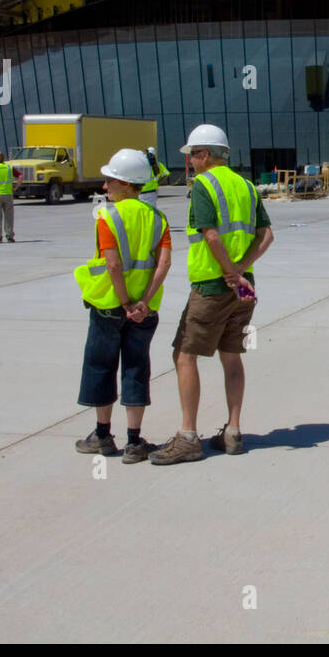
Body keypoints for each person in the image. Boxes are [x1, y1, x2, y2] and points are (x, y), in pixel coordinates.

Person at [150, 124, 274, 465]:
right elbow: (266, 236)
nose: (189, 162)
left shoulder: (204, 184)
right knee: (231, 357)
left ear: (204, 155)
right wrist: (241, 272)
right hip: (243, 289)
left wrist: (228, 273)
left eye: (191, 155)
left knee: (184, 355)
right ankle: (233, 432)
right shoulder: (246, 186)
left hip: (211, 286)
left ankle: (188, 437)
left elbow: (211, 236)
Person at [73, 149, 173, 464]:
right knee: (135, 368)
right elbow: (164, 263)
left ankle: (102, 436)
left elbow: (113, 265)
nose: (105, 187)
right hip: (145, 311)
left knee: (101, 366)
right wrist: (143, 301)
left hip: (110, 307)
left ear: (127, 184)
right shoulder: (158, 218)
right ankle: (134, 442)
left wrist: (126, 301)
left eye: (110, 180)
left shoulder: (108, 217)